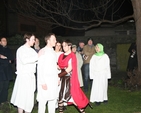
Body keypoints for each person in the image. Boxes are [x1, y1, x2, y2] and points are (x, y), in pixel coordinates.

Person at [58, 39, 89, 113]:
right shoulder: (61, 55)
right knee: (60, 98)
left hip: (69, 80)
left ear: (69, 46)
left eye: (65, 46)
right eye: (62, 46)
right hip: (62, 79)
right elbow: (60, 66)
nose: (63, 47)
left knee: (73, 98)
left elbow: (69, 69)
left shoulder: (72, 55)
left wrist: (58, 76)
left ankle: (83, 111)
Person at [10, 33, 38, 113]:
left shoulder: (32, 51)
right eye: (33, 39)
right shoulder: (21, 50)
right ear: (27, 39)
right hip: (23, 77)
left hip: (31, 77)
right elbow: (24, 60)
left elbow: (38, 60)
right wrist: (38, 56)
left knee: (29, 98)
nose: (34, 41)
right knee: (21, 98)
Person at [37, 33, 59, 113]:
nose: (55, 41)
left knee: (52, 100)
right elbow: (40, 68)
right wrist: (42, 82)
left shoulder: (53, 52)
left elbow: (54, 67)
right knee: (43, 102)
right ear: (48, 40)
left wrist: (57, 78)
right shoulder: (43, 51)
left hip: (53, 80)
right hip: (45, 81)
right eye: (54, 40)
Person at [0, 37, 14, 105]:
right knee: (1, 86)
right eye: (3, 40)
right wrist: (7, 60)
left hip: (7, 71)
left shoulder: (8, 49)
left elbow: (11, 58)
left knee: (6, 86)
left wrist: (4, 57)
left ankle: (4, 100)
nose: (5, 41)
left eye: (5, 40)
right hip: (1, 71)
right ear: (0, 42)